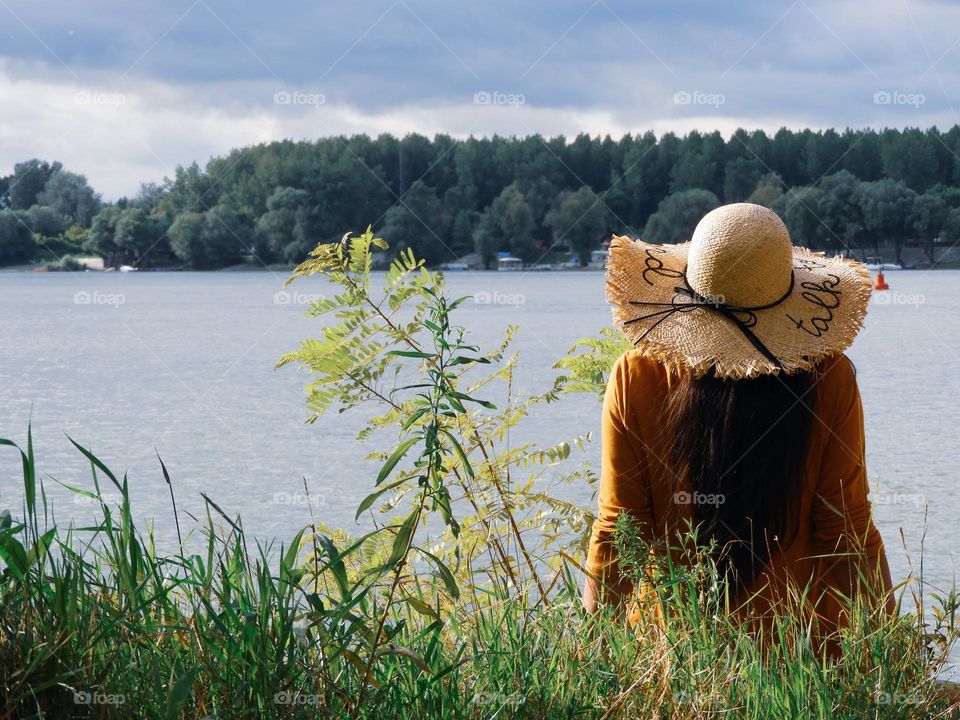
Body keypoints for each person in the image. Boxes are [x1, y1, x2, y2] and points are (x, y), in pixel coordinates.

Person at [582, 203, 894, 638]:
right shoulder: (828, 377)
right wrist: (891, 652)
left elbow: (620, 527)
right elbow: (846, 530)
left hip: (675, 645)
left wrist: (593, 652)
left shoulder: (637, 375)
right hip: (800, 648)